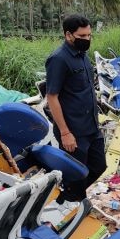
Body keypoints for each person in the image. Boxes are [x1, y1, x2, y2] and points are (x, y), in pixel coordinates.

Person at [45, 14, 106, 203]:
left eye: (89, 36)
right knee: (77, 175)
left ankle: (65, 197)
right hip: (73, 130)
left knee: (99, 166)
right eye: (82, 36)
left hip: (91, 127)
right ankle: (71, 204)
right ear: (68, 35)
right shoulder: (59, 59)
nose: (87, 40)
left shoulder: (83, 56)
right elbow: (52, 97)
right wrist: (65, 133)